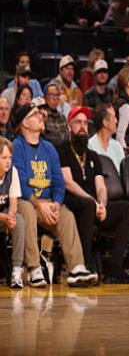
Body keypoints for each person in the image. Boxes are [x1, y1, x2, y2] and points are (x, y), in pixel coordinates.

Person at [12, 103, 97, 287]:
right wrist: (39, 205)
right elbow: (21, 184)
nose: (42, 116)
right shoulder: (17, 147)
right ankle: (34, 268)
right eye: (35, 114)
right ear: (25, 123)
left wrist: (57, 204)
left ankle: (77, 268)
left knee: (67, 216)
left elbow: (58, 182)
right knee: (26, 210)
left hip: (48, 202)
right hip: (25, 201)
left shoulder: (49, 148)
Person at [58, 106, 129, 283]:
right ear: (69, 126)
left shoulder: (92, 155)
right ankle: (83, 264)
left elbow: (101, 186)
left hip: (93, 206)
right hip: (72, 203)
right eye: (78, 122)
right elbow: (68, 182)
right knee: (87, 205)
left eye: (85, 123)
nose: (82, 126)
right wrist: (93, 201)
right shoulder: (62, 150)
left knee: (127, 209)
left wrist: (102, 205)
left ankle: (114, 267)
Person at [0, 137, 25, 288]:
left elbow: (13, 202)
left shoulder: (12, 172)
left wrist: (11, 217)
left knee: (19, 220)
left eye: (10, 157)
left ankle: (16, 270)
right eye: (4, 158)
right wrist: (5, 218)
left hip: (3, 216)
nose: (8, 161)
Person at [88, 104, 125, 172]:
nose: (116, 121)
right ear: (105, 122)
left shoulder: (117, 146)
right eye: (114, 117)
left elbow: (124, 173)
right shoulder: (90, 146)